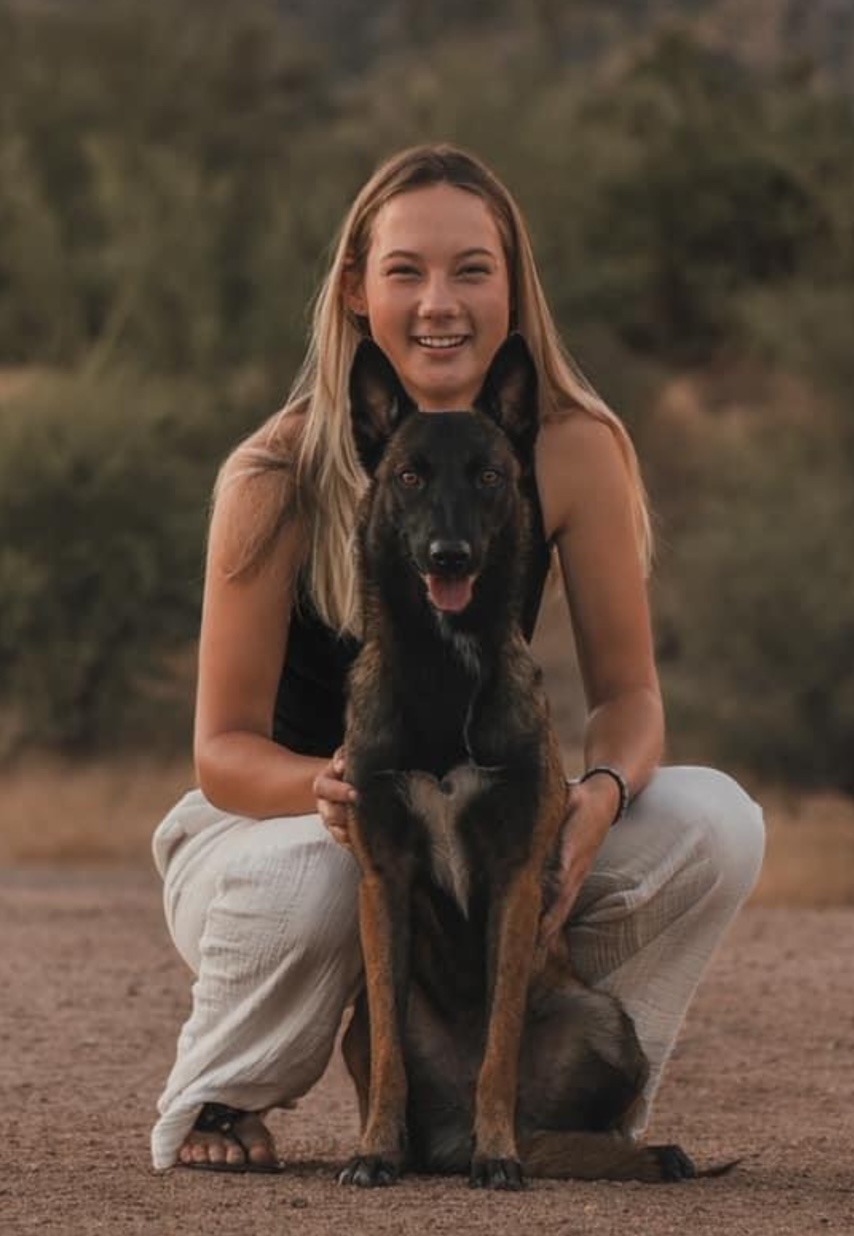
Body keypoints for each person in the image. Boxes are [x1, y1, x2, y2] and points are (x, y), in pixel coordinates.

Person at [150, 143, 765, 1173]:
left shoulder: (571, 447)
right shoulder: (275, 470)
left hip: (474, 810)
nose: (440, 302)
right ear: (354, 289)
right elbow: (218, 751)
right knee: (324, 868)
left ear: (514, 286)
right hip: (278, 818)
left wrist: (598, 798)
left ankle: (552, 1098)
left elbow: (628, 697)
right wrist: (329, 786)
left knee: (715, 820)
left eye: (472, 269)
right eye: (405, 270)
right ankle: (221, 1096)